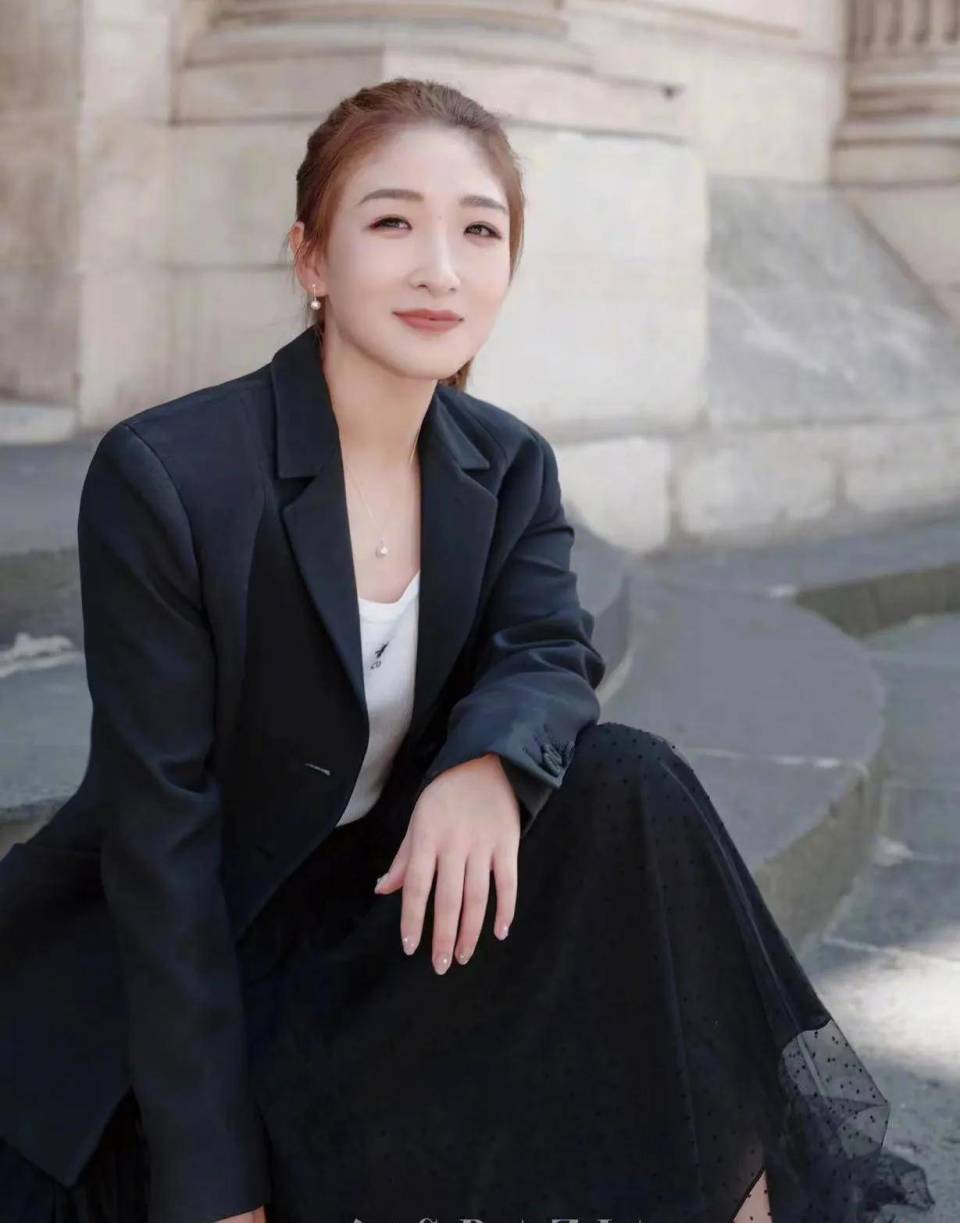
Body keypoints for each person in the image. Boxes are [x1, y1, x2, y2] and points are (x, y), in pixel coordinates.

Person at [0, 77, 936, 1223]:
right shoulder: (170, 476)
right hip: (193, 996)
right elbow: (163, 852)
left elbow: (548, 645)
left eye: (479, 231)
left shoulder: (507, 466)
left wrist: (487, 765)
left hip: (371, 938)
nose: (440, 268)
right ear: (312, 257)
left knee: (632, 787)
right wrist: (215, 1191)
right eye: (393, 221)